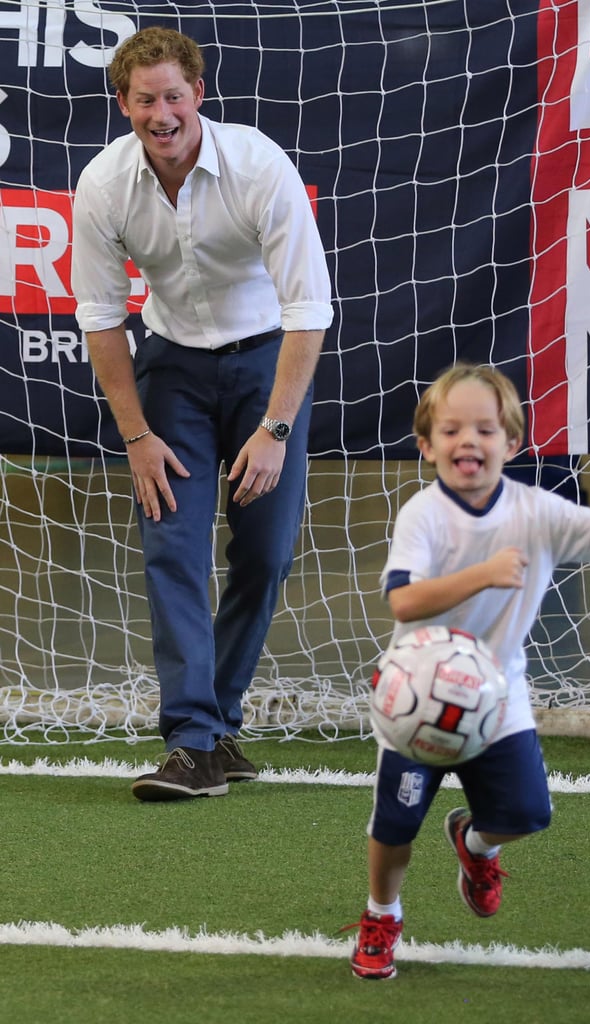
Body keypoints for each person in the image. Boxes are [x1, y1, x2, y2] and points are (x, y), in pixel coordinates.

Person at [347, 362, 590, 979]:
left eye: (486, 430)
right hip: (417, 696)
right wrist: (482, 574)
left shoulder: (538, 509)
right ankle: (383, 914)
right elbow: (404, 601)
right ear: (427, 446)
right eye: (453, 429)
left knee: (528, 814)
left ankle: (476, 843)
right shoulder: (423, 515)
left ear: (512, 444)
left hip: (498, 695)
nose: (469, 441)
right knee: (396, 824)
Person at [71, 27, 333, 802]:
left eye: (173, 96)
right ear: (124, 104)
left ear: (199, 96)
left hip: (266, 370)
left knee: (265, 553)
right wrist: (137, 437)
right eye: (145, 100)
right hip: (172, 373)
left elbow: (308, 309)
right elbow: (100, 316)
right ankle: (192, 740)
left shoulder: (258, 165)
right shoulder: (103, 184)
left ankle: (218, 723)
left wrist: (276, 428)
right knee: (173, 547)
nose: (162, 114)